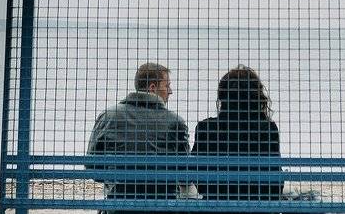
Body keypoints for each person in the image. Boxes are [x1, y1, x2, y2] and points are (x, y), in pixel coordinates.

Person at [88, 62, 190, 204]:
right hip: (164, 204)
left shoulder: (108, 117)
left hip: (119, 204)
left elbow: (92, 165)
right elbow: (185, 170)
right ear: (152, 88)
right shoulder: (175, 121)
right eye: (167, 86)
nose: (170, 91)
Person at [193, 66, 282, 202]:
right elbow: (275, 178)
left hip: (215, 204)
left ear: (222, 96)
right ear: (255, 96)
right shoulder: (267, 128)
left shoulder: (206, 128)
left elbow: (196, 173)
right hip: (257, 205)